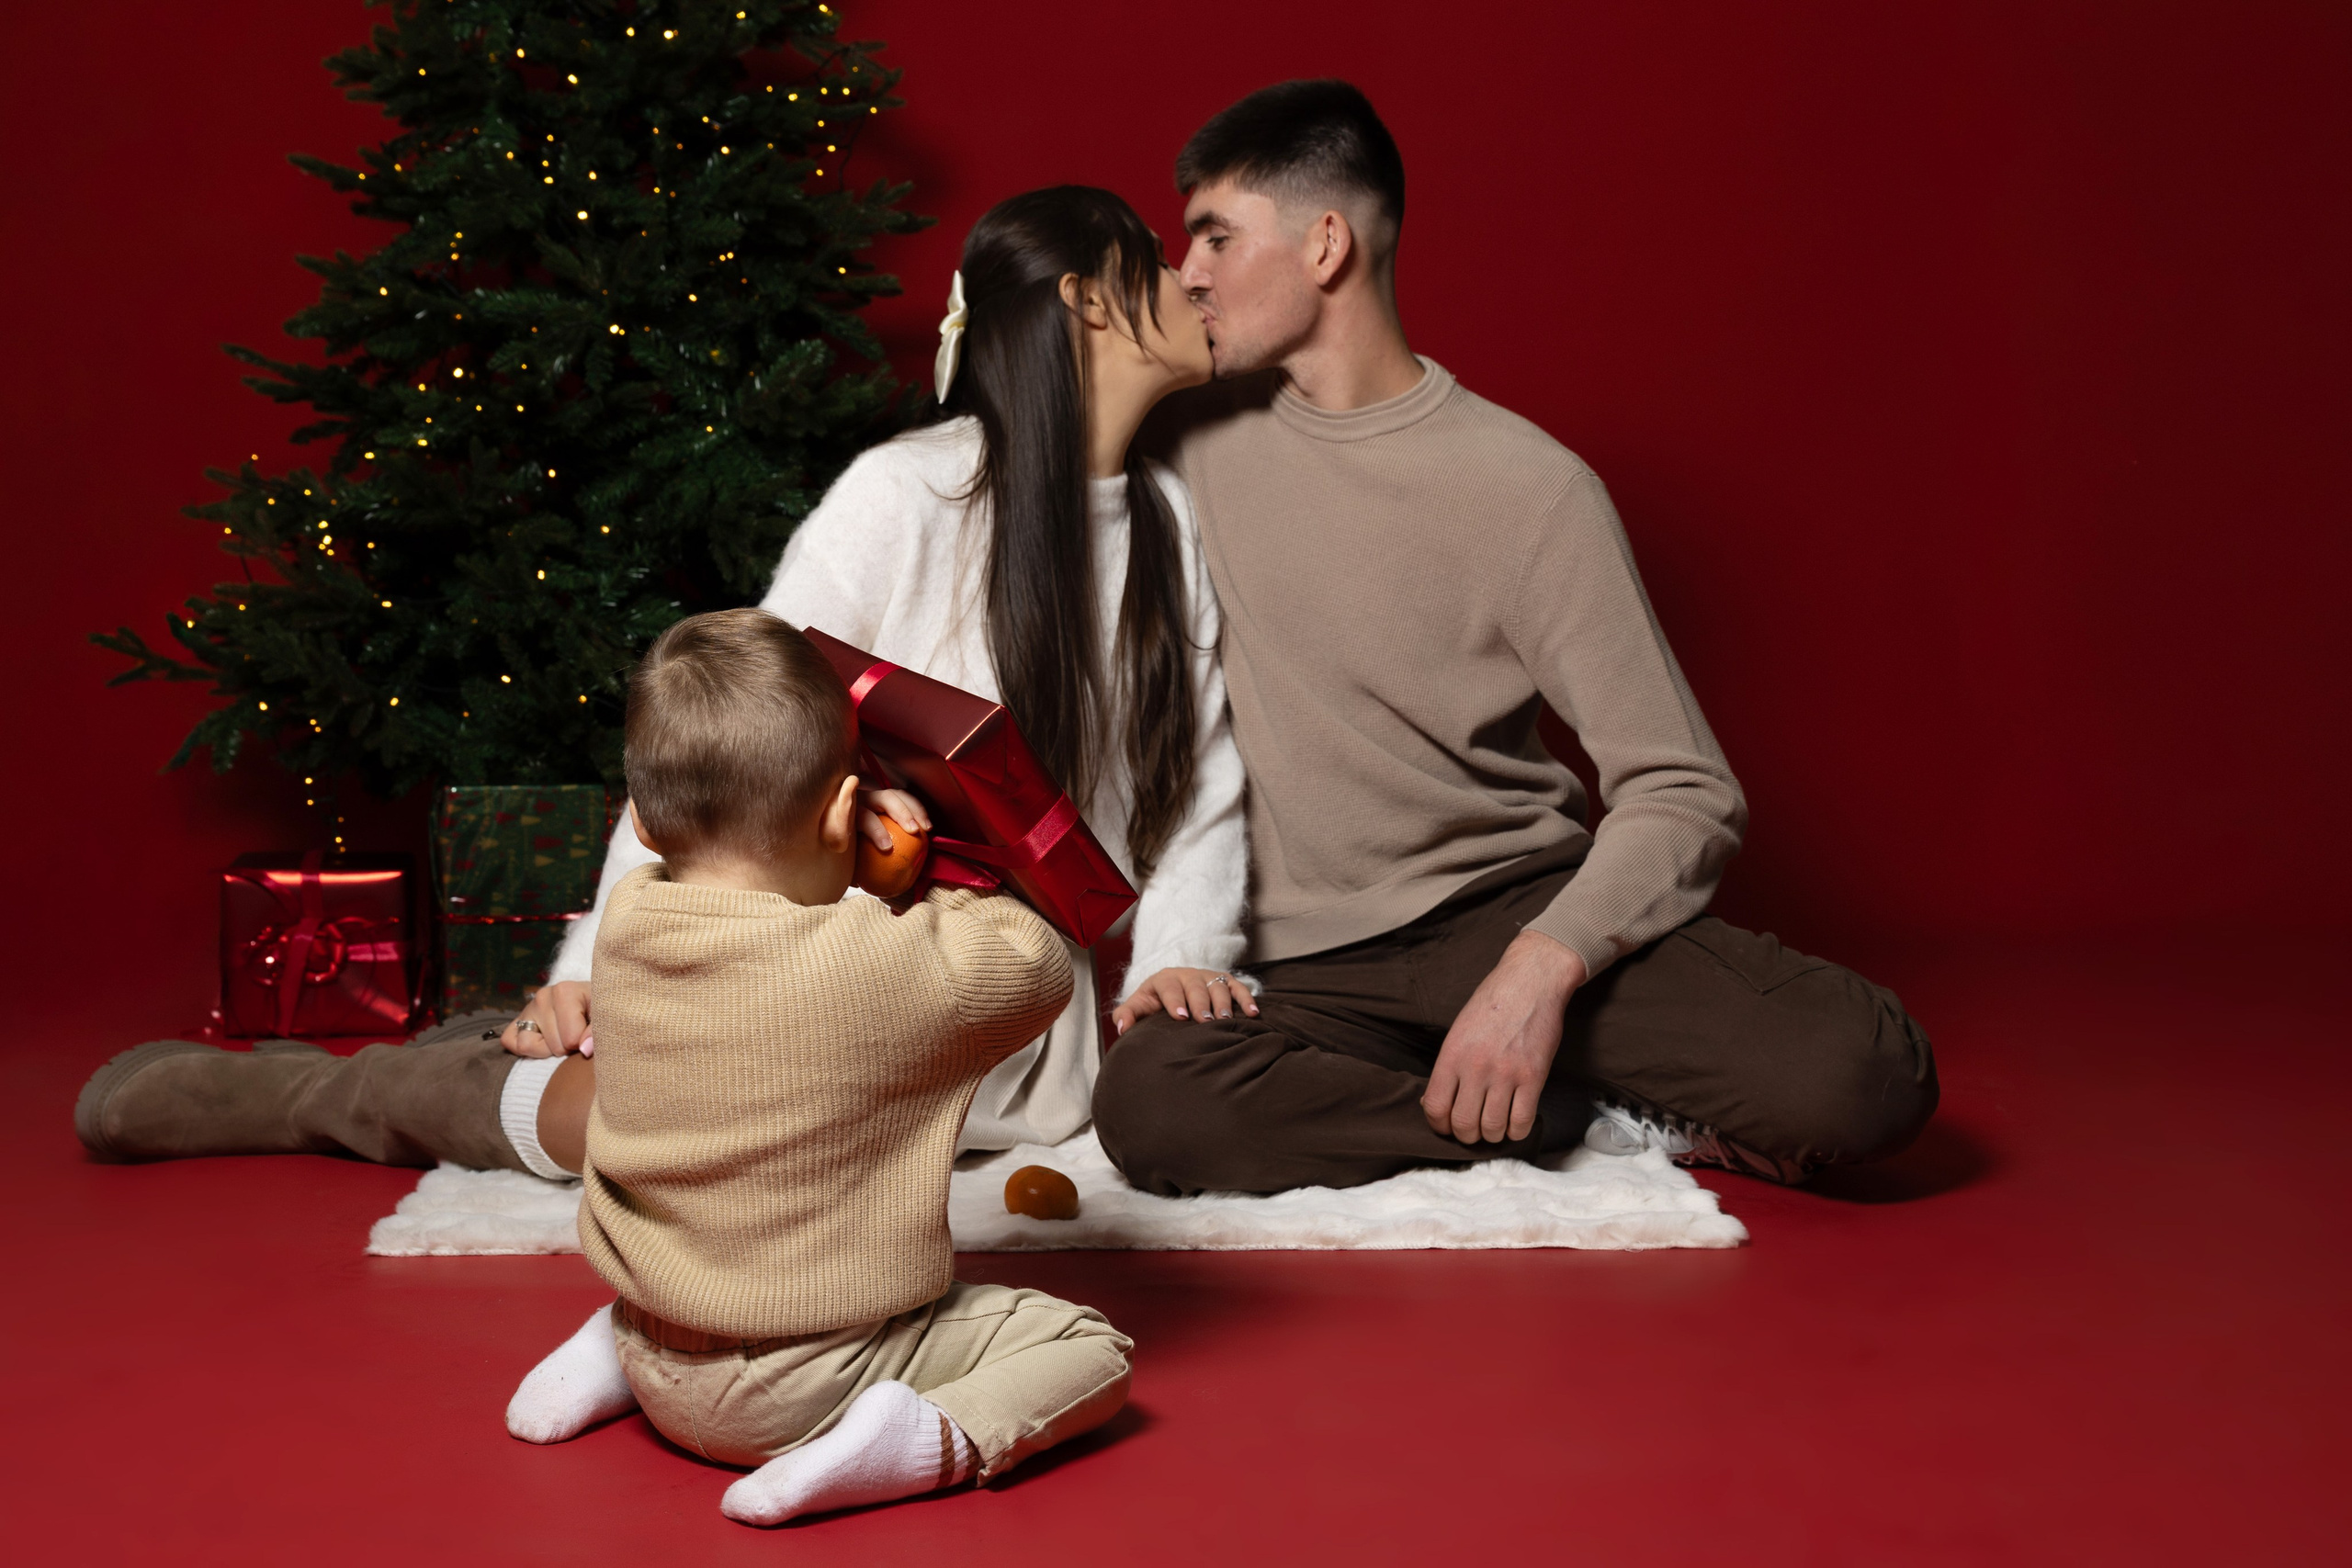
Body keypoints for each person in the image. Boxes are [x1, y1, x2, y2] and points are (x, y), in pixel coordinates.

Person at [74, 186, 1253, 1180]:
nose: (1191, 283)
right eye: (1158, 263)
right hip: (810, 967)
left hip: (1001, 1013)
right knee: (701, 1135)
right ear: (1087, 300)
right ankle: (326, 1099)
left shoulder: (1173, 527)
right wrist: (591, 971)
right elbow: (727, 739)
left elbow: (1199, 785)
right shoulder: (908, 496)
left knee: (834, 1145)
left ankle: (457, 1060)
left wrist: (1175, 959)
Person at [1090, 80, 1939, 1195]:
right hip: (1295, 964)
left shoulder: (1530, 489)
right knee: (1154, 1107)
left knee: (1860, 1075)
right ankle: (1567, 1122)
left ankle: (1500, 1070)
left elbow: (1681, 788)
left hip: (1503, 911)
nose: (1186, 270)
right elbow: (1011, 480)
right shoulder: (1181, 446)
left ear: (1326, 245)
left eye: (1214, 234)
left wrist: (1539, 972)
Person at [502, 608, 1129, 1526]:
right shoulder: (876, 968)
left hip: (659, 1345)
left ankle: (618, 1349)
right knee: (1090, 1347)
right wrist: (897, 871)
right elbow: (1036, 960)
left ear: (639, 820)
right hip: (808, 1391)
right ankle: (916, 1437)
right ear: (846, 811)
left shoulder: (632, 920)